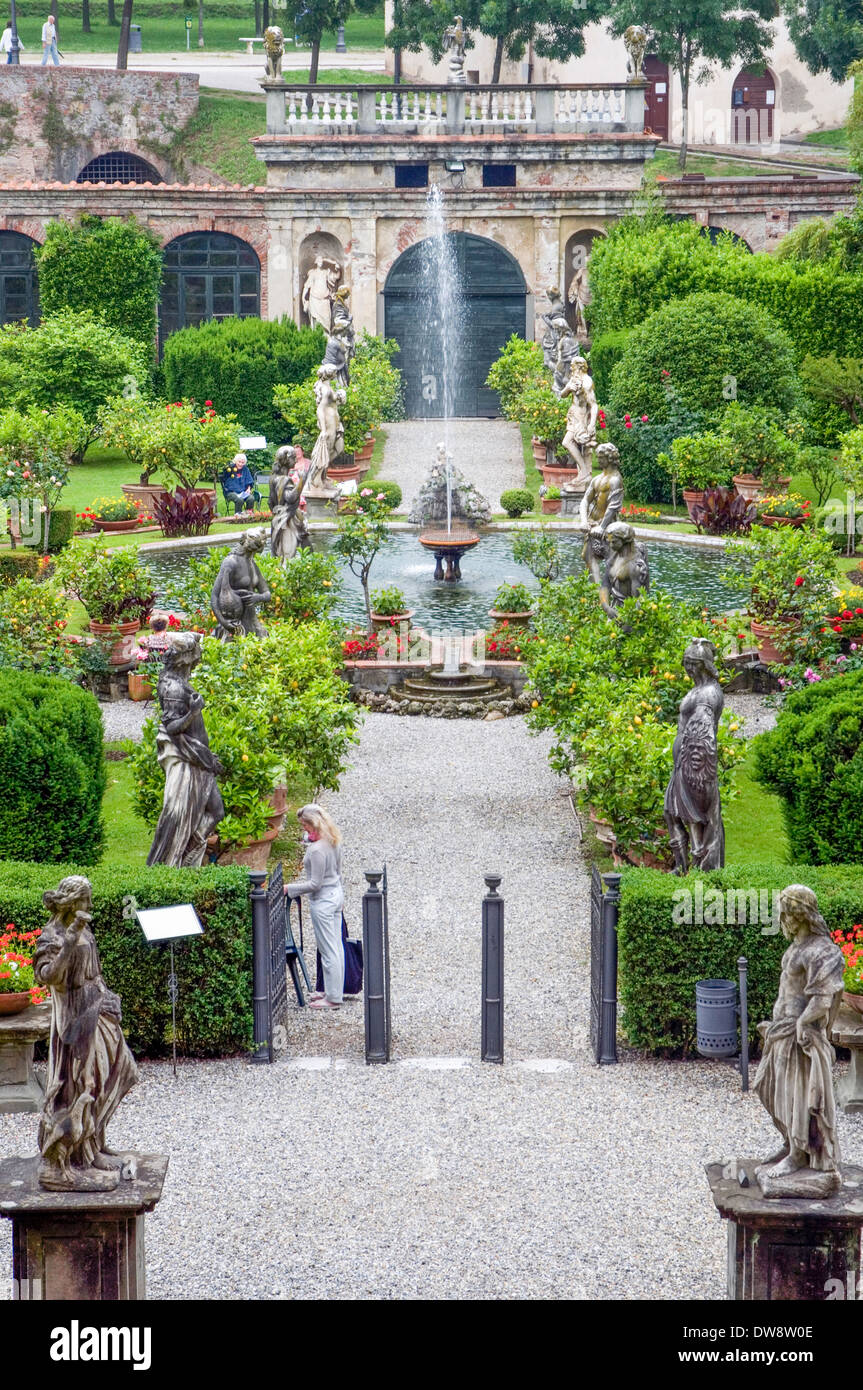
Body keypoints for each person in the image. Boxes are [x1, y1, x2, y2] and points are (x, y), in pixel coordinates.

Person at [285, 804, 345, 1010]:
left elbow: (314, 884)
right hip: (335, 894)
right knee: (336, 946)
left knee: (328, 950)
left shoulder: (318, 850)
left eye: (305, 825)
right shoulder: (333, 840)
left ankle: (334, 998)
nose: (303, 829)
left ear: (313, 824)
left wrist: (289, 888)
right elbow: (338, 871)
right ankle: (332, 990)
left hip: (323, 901)